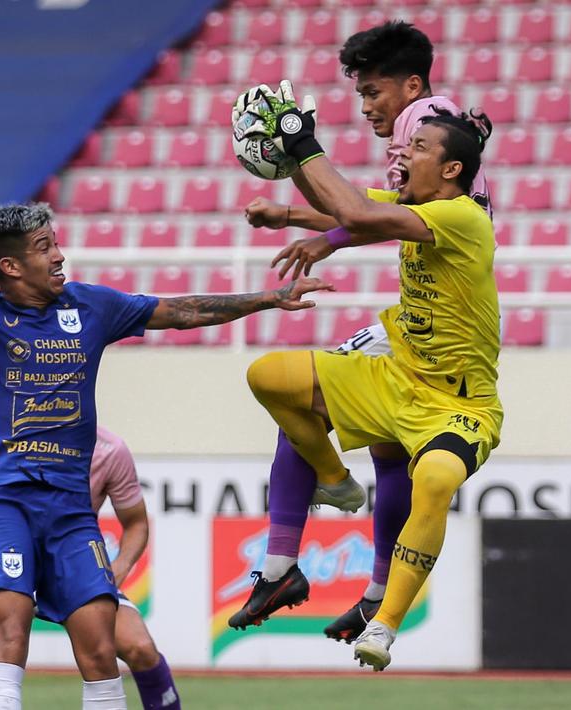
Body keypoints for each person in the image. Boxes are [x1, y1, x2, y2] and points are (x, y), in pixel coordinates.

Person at [0, 164, 331, 709]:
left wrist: (268, 298)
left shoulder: (90, 307)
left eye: (57, 244)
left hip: (70, 508)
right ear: (12, 266)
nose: (60, 255)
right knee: (7, 640)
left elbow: (180, 311)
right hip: (2, 500)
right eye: (45, 248)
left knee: (98, 650)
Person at [226, 20, 494, 645]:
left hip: (440, 333)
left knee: (307, 404)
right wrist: (298, 210)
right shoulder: (434, 132)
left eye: (373, 92)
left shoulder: (423, 122)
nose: (369, 107)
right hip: (421, 316)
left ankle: (289, 553)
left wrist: (302, 149)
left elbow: (366, 212)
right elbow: (372, 210)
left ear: (411, 86)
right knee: (381, 445)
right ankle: (371, 590)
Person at [0, 427, 180, 710]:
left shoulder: (109, 449)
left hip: (71, 565)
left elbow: (136, 521)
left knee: (140, 647)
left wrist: (118, 569)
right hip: (10, 560)